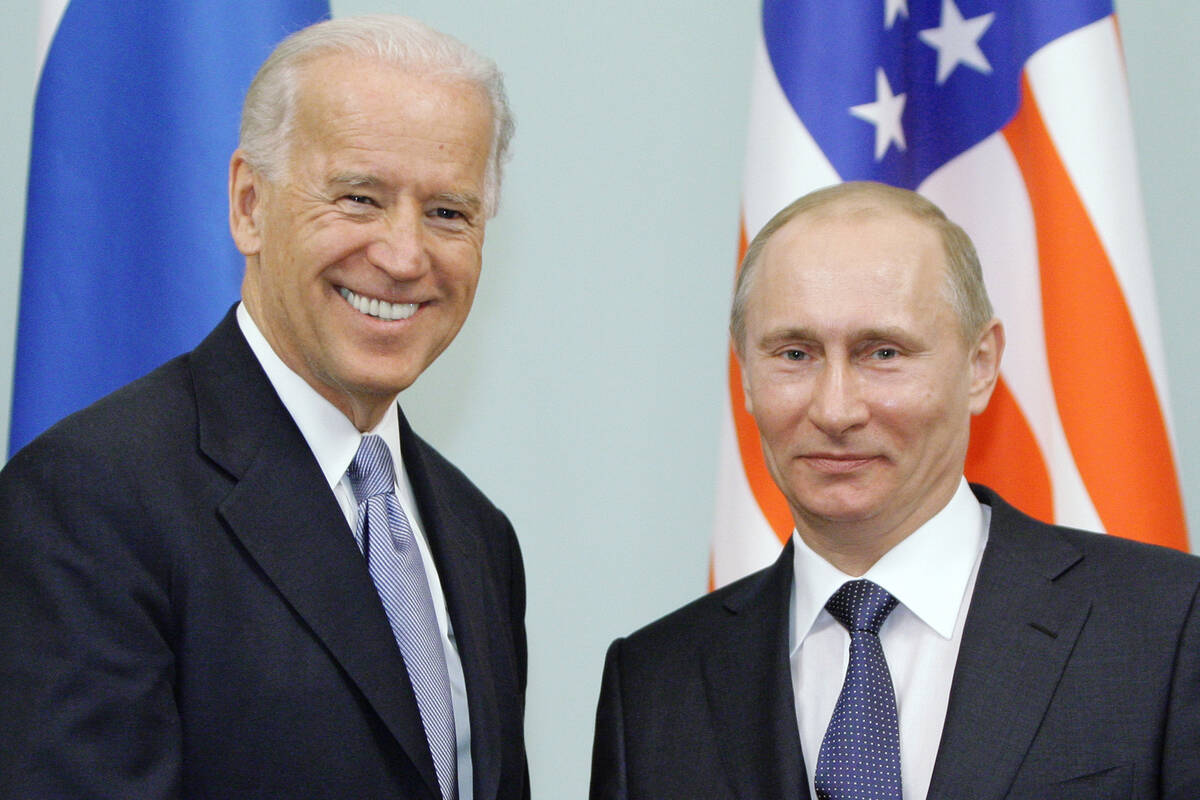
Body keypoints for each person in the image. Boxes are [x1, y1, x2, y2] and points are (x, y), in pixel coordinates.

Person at [0, 15, 528, 800]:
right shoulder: (89, 497)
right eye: (359, 198)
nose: (404, 254)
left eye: (448, 212)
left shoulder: (479, 536)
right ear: (249, 204)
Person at [589, 181, 1200, 800]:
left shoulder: (1170, 627)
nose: (835, 409)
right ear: (745, 374)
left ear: (980, 364)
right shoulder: (651, 685)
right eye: (795, 354)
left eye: (882, 352)